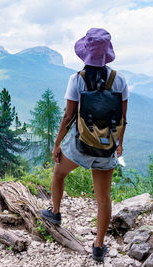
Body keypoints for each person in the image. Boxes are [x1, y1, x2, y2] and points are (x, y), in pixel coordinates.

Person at [40, 28, 128, 262]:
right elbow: (122, 118)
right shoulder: (119, 80)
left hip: (80, 146)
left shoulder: (76, 79)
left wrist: (58, 144)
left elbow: (68, 117)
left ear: (86, 53)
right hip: (105, 146)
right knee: (103, 198)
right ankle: (98, 246)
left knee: (59, 173)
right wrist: (119, 145)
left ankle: (56, 213)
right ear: (107, 54)